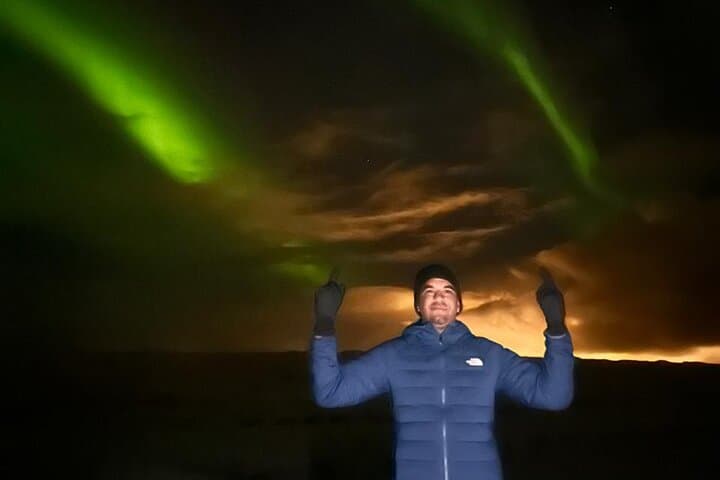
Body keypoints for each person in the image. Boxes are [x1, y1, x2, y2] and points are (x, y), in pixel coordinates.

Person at [310, 263, 574, 480]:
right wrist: (324, 323)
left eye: (447, 290)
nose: (438, 296)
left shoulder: (490, 355)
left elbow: (553, 396)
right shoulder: (393, 356)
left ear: (458, 305)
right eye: (429, 291)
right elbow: (331, 393)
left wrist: (556, 327)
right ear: (418, 305)